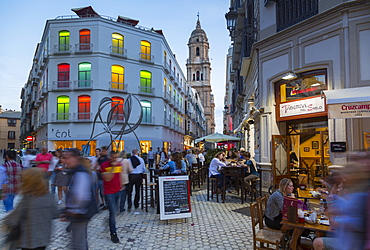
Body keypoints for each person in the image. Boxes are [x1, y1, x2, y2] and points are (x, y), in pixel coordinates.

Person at [3, 168, 59, 250]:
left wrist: (6, 222)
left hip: (29, 240)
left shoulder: (28, 198)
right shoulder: (48, 196)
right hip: (44, 239)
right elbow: (55, 213)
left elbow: (15, 218)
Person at [63, 148, 98, 250]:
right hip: (80, 213)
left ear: (76, 158)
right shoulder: (78, 171)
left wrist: (72, 211)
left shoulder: (80, 172)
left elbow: (81, 196)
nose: (65, 161)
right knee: (80, 240)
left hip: (80, 213)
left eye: (68, 158)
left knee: (79, 243)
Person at [100, 151, 123, 243]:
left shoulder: (119, 164)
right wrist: (113, 167)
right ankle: (113, 233)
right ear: (109, 157)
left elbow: (119, 176)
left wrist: (121, 185)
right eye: (113, 157)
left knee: (114, 211)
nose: (114, 159)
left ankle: (110, 222)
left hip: (117, 191)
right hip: (109, 192)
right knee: (113, 212)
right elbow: (107, 178)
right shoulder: (104, 165)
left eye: (116, 157)